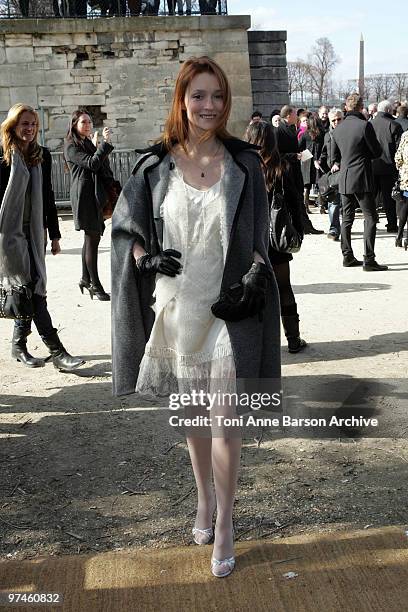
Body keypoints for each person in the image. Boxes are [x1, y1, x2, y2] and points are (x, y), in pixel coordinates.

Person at [111, 56, 281, 578]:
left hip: (230, 310)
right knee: (195, 421)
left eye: (217, 97)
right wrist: (144, 257)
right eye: (199, 96)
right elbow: (125, 227)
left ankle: (226, 521)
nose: (209, 106)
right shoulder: (153, 165)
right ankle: (204, 498)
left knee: (225, 422)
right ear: (182, 100)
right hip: (181, 308)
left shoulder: (243, 164)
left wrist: (257, 272)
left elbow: (256, 238)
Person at [0, 104, 85, 371]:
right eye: (24, 124)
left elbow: (47, 196)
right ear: (13, 126)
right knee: (31, 289)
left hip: (34, 233)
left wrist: (56, 234)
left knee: (32, 286)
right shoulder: (3, 157)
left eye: (33, 124)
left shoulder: (42, 156)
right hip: (8, 235)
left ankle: (18, 345)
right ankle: (57, 351)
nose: (29, 129)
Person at [244, 120, 307, 352]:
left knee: (253, 288)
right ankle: (293, 338)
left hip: (250, 238)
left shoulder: (243, 167)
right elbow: (295, 202)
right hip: (276, 237)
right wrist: (298, 232)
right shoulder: (282, 167)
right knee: (284, 287)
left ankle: (257, 343)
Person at [330, 93, 387, 271]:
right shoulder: (364, 125)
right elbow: (377, 152)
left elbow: (334, 157)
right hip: (361, 175)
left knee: (347, 218)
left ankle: (347, 256)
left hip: (345, 177)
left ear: (346, 108)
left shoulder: (337, 128)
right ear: (361, 106)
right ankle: (369, 259)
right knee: (370, 217)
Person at [64, 110, 115, 301]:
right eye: (83, 122)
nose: (87, 125)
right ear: (74, 124)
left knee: (91, 238)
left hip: (93, 195)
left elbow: (99, 164)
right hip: (84, 197)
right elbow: (92, 164)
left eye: (89, 122)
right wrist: (105, 144)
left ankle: (85, 279)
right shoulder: (71, 146)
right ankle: (95, 284)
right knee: (92, 239)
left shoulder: (84, 142)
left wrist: (96, 146)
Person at [277, 105, 323, 235]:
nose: (297, 117)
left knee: (298, 200)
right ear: (288, 115)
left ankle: (305, 226)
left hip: (295, 170)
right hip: (287, 172)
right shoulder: (279, 131)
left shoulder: (291, 129)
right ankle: (298, 227)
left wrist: (299, 155)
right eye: (294, 114)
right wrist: (294, 156)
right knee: (293, 201)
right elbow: (277, 154)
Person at [371, 100, 403, 233]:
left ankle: (371, 223)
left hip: (372, 166)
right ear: (389, 110)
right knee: (389, 198)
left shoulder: (369, 124)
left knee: (371, 197)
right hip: (389, 167)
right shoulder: (394, 125)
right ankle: (391, 224)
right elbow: (399, 148)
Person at [318, 108, 343, 240]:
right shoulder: (327, 135)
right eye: (333, 120)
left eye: (339, 119)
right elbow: (324, 152)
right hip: (331, 174)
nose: (336, 122)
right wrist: (319, 161)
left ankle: (343, 227)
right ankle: (334, 229)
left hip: (344, 172)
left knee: (344, 203)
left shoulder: (346, 133)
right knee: (333, 201)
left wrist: (338, 163)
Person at [298, 113, 324, 214]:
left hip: (306, 158)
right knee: (320, 184)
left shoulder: (305, 134)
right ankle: (321, 207)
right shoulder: (322, 133)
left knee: (306, 185)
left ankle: (306, 207)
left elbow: (299, 147)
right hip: (319, 160)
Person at [394, 130, 408, 249]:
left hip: (406, 178)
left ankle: (399, 236)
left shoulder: (405, 135)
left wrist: (402, 169)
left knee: (405, 205)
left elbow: (398, 157)